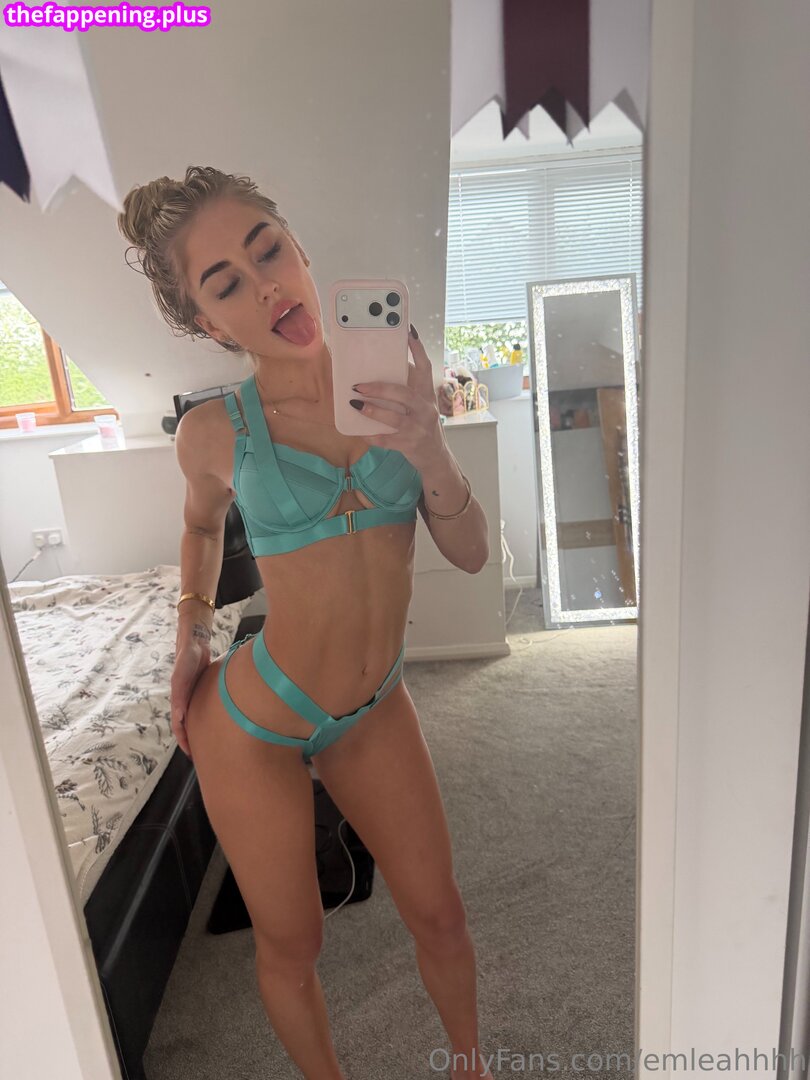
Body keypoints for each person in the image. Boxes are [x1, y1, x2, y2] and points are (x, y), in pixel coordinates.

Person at [118, 165, 494, 1080]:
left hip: (375, 704)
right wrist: (192, 635)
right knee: (294, 946)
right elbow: (199, 525)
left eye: (269, 251)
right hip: (255, 722)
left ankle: (473, 1067)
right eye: (227, 285)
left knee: (441, 913)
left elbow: (474, 554)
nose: (266, 287)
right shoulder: (213, 432)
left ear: (301, 250)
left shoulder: (399, 387)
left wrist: (430, 447)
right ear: (210, 324)